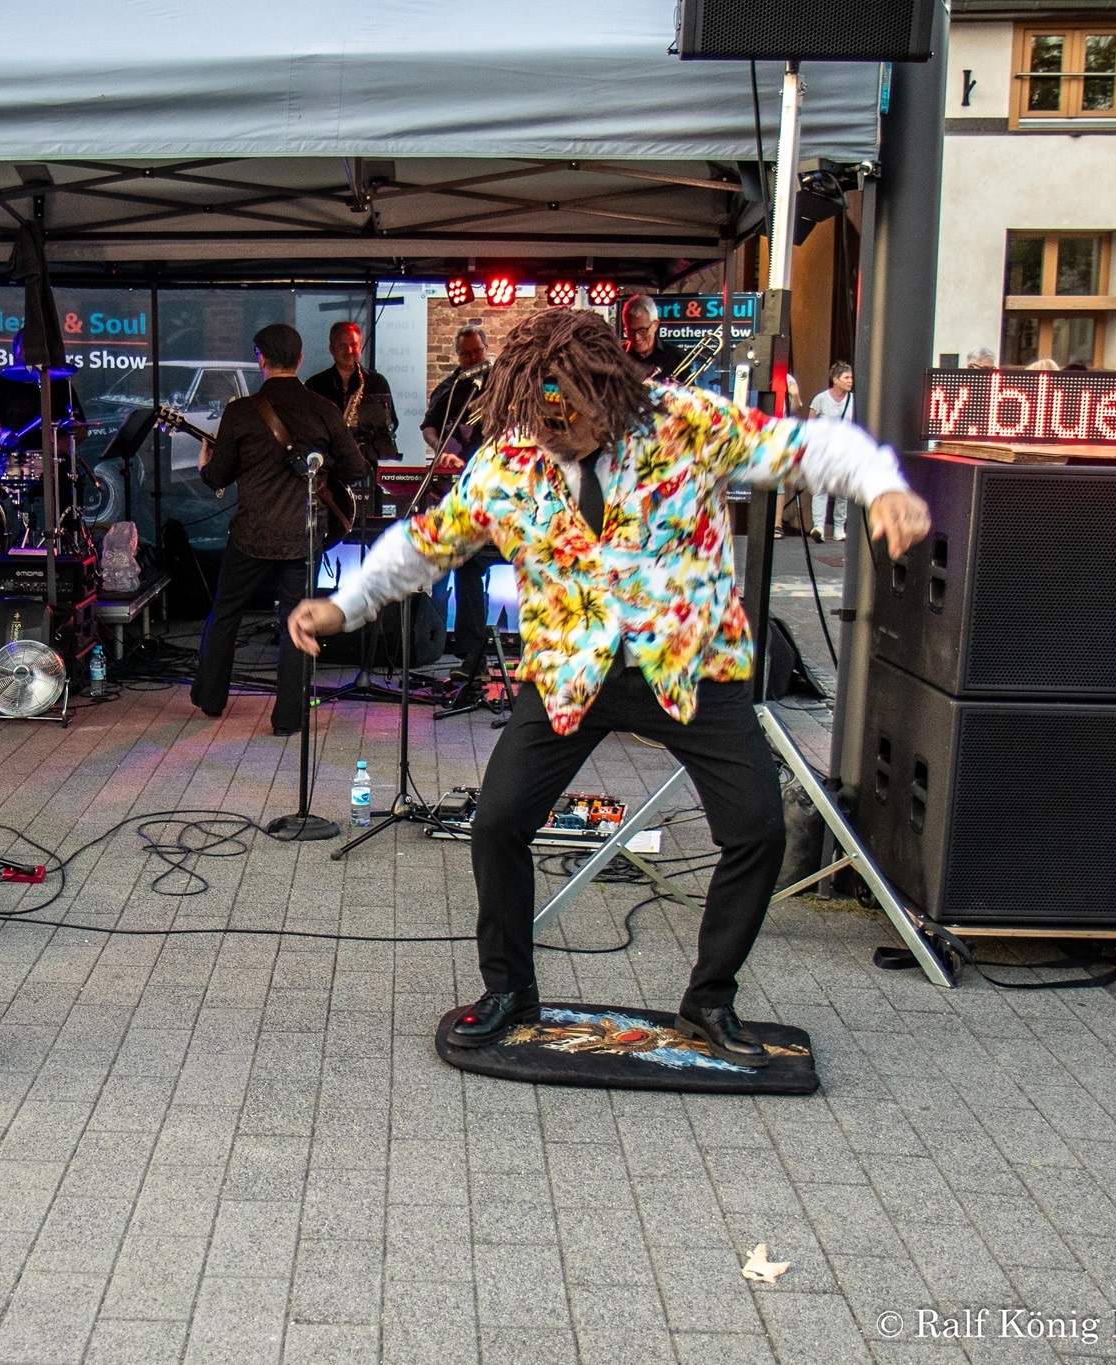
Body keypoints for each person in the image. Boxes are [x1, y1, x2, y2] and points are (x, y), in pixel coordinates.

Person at [286, 308, 930, 1062]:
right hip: (571, 671)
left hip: (689, 663)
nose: (557, 435)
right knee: (497, 824)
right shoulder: (509, 463)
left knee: (757, 828)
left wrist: (880, 485)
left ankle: (710, 999)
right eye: (543, 421)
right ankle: (508, 990)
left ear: (607, 388)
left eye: (572, 418)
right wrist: (345, 605)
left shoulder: (682, 421)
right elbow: (426, 545)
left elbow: (804, 446)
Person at [191, 323, 367, 736]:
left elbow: (218, 476)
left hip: (251, 535)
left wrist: (204, 462)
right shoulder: (323, 408)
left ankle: (211, 699)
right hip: (302, 536)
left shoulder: (240, 411)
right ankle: (289, 719)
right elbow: (357, 468)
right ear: (301, 359)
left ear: (261, 358)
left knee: (225, 614)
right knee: (298, 623)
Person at [420, 324, 503, 665]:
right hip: (463, 487)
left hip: (502, 490)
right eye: (466, 354)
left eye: (477, 352)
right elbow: (428, 426)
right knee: (464, 562)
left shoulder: (504, 383)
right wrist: (441, 448)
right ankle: (469, 655)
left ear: (486, 349)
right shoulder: (451, 388)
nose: (472, 358)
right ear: (458, 356)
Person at [306, 320, 399, 471]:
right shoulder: (315, 385)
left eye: (354, 345)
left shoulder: (377, 382)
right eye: (342, 346)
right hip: (329, 468)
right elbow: (309, 429)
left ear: (360, 347)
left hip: (365, 465)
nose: (349, 351)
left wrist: (364, 427)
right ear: (331, 348)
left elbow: (392, 422)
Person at [0, 330, 86, 451]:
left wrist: (57, 448)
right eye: (26, 345)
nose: (32, 351)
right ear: (15, 351)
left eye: (37, 346)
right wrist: (1, 435)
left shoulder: (61, 385)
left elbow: (81, 429)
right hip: (8, 458)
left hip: (53, 458)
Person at [804, 362, 855, 542]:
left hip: (844, 451)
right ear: (835, 380)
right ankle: (818, 526)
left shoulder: (853, 400)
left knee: (842, 491)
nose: (850, 381)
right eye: (846, 377)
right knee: (821, 488)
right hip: (823, 451)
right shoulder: (820, 399)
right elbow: (810, 425)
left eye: (851, 377)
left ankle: (839, 528)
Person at [620, 294, 688, 380]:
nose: (637, 338)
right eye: (630, 330)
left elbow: (689, 388)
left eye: (642, 330)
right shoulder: (617, 356)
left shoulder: (676, 356)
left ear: (655, 325)